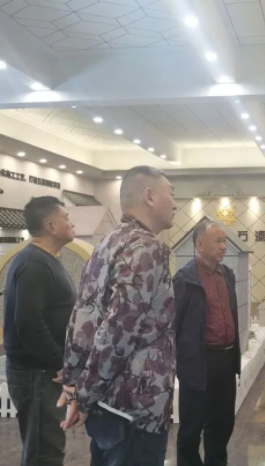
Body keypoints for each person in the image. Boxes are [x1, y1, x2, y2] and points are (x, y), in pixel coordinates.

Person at [59, 166, 177, 466]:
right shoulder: (146, 246)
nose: (175, 204)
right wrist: (83, 395)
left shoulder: (109, 241)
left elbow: (83, 318)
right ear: (150, 197)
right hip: (135, 406)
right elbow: (118, 331)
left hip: (109, 403)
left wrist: (75, 383)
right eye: (171, 195)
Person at [3, 196, 76, 466]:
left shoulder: (44, 260)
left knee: (47, 448)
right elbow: (29, 323)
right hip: (38, 374)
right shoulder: (34, 264)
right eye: (66, 217)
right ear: (51, 226)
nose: (71, 223)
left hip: (43, 373)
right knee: (43, 453)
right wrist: (58, 363)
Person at [173, 220, 241, 466]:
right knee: (191, 428)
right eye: (218, 241)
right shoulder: (185, 279)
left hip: (226, 361)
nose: (224, 246)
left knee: (222, 424)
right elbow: (173, 325)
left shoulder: (228, 274)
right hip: (199, 363)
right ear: (200, 245)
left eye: (225, 241)